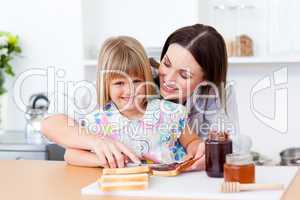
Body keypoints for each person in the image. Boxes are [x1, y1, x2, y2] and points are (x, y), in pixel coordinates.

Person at [42, 24, 239, 170]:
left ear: (206, 81)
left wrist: (204, 151)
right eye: (167, 63)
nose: (168, 79)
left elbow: (218, 144)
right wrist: (99, 148)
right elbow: (53, 125)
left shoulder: (182, 108)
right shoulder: (125, 83)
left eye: (184, 75)